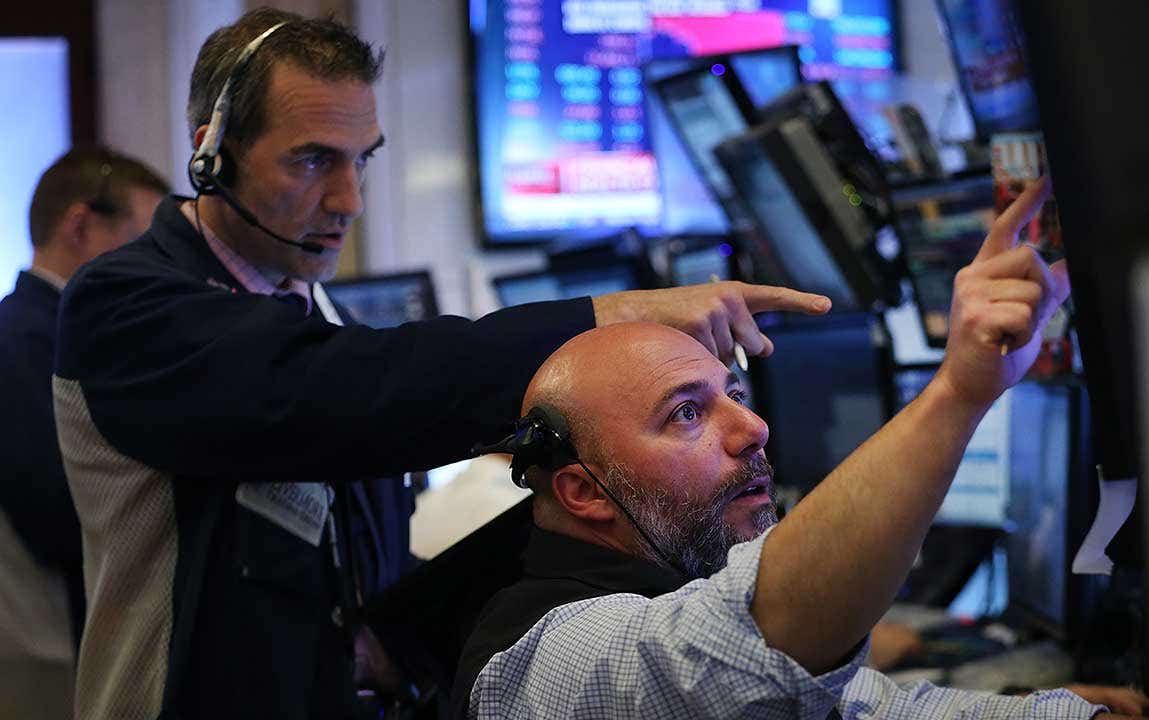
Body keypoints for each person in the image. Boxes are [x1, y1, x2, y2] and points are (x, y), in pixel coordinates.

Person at [51, 8, 828, 720]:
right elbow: (349, 392)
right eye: (313, 161)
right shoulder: (126, 306)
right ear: (210, 151)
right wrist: (613, 315)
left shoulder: (313, 304)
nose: (348, 200)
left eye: (362, 160)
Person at [453, 180, 1149, 719]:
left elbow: (868, 708)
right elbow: (748, 644)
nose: (752, 429)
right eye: (688, 413)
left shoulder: (673, 576)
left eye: (736, 395)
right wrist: (959, 392)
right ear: (583, 491)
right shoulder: (537, 662)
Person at [0, 147, 166, 719]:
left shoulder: (37, 333)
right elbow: (62, 516)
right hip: (46, 661)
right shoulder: (23, 343)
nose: (158, 270)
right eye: (145, 243)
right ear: (79, 225)